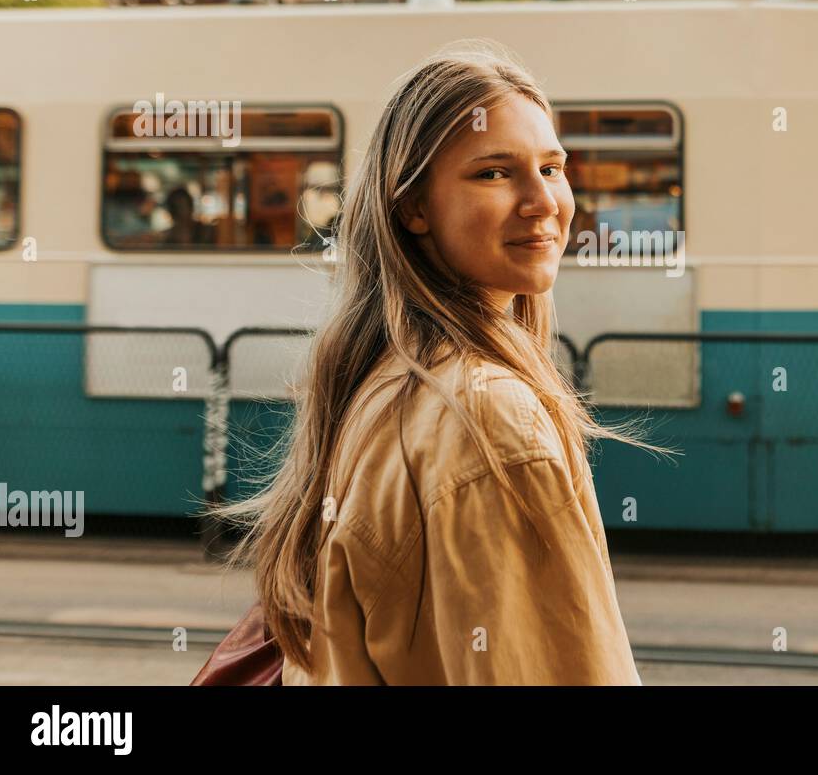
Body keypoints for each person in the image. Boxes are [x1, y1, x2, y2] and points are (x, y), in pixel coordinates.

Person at [211, 40, 663, 684]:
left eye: (553, 168)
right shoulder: (490, 419)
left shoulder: (384, 379)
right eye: (495, 173)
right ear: (413, 208)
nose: (544, 202)